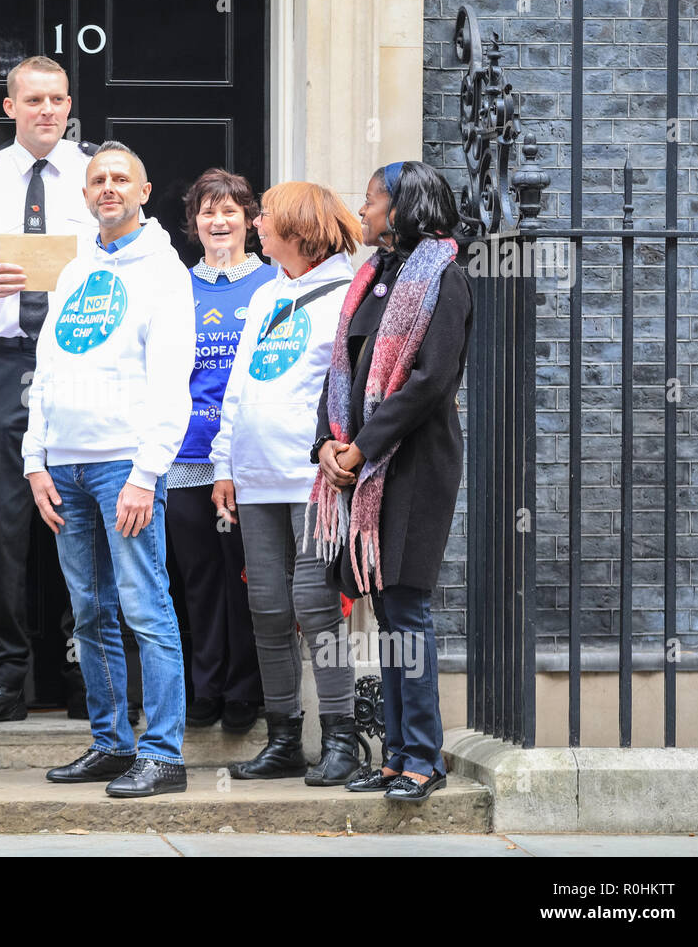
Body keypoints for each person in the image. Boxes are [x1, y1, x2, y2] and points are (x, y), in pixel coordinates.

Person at [24, 141, 196, 797]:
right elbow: (46, 369)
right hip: (64, 468)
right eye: (97, 179)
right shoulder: (74, 269)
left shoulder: (163, 271)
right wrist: (35, 460)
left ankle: (164, 753)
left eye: (121, 178)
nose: (107, 188)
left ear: (144, 192)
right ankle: (110, 743)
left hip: (122, 465)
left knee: (146, 607)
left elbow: (172, 381)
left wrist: (147, 473)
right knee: (89, 614)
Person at [0, 55, 100, 725]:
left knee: (82, 517)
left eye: (57, 100)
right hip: (1, 361)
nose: (47, 111)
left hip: (84, 360)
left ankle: (85, 672)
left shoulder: (100, 174)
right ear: (9, 108)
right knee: (3, 523)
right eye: (33, 100)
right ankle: (1, 674)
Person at [307, 160, 471, 803]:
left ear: (404, 208)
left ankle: (423, 760)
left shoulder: (446, 281)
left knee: (407, 608)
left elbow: (429, 382)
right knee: (384, 609)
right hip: (360, 465)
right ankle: (398, 753)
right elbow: (339, 370)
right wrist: (328, 442)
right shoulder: (372, 279)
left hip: (415, 465)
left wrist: (363, 449)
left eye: (374, 200)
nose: (366, 211)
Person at [212, 181, 364, 784]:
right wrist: (224, 463)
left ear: (298, 229)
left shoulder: (346, 293)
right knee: (268, 609)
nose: (255, 225)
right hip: (254, 478)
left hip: (312, 480)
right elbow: (239, 387)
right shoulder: (265, 295)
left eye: (267, 218)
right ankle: (282, 740)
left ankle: (341, 739)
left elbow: (355, 388)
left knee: (315, 606)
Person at [166, 169, 271, 733]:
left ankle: (245, 692)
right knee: (200, 580)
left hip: (249, 459)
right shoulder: (176, 287)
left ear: (251, 220)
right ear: (195, 223)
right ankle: (203, 689)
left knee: (248, 577)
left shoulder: (273, 285)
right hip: (187, 455)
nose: (219, 220)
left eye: (230, 210)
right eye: (208, 211)